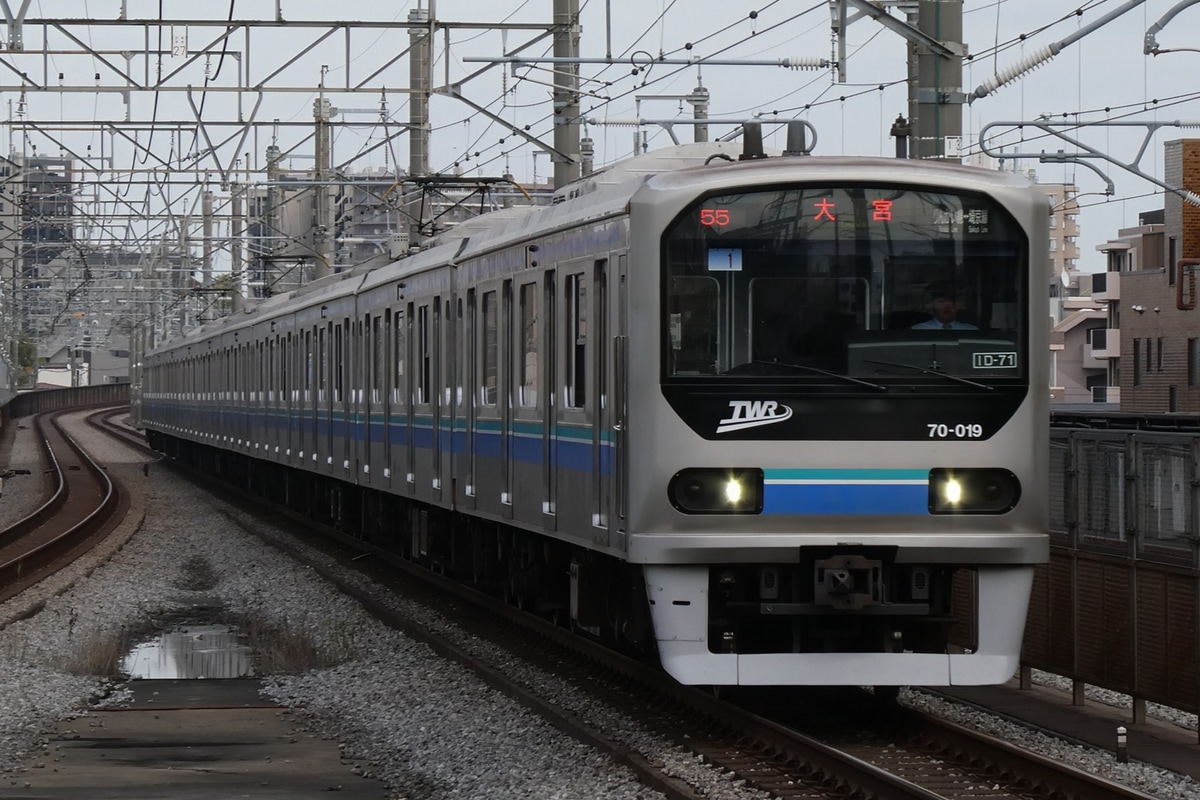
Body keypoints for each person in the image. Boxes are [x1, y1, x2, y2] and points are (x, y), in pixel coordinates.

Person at [911, 293, 977, 330]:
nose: (947, 307)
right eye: (942, 302)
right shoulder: (919, 329)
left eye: (952, 303)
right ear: (933, 306)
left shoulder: (970, 330)